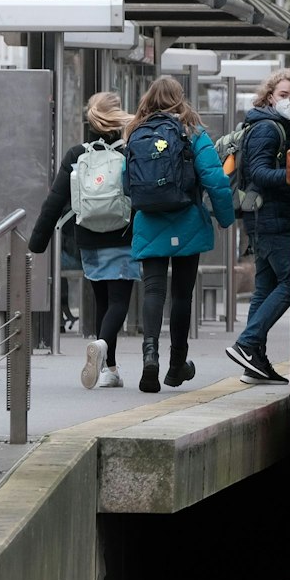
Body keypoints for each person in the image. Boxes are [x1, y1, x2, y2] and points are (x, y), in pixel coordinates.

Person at [126, 76, 234, 394]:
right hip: (187, 220)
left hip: (150, 221)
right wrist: (225, 219)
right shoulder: (193, 132)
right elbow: (215, 180)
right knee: (182, 295)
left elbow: (126, 183)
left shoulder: (136, 132)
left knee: (153, 291)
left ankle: (150, 357)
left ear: (148, 99)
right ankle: (177, 365)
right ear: (180, 98)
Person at [27, 92, 135, 389]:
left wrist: (37, 241)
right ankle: (102, 346)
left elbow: (54, 200)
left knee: (102, 301)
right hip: (123, 235)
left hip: (88, 237)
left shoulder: (77, 154)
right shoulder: (128, 153)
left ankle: (110, 369)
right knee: (118, 302)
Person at [226, 69, 290, 385]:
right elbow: (258, 172)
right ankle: (247, 342)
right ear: (269, 97)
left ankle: (254, 362)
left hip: (265, 218)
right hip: (271, 218)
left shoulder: (274, 125)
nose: (289, 101)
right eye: (283, 95)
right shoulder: (268, 128)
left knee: (265, 287)